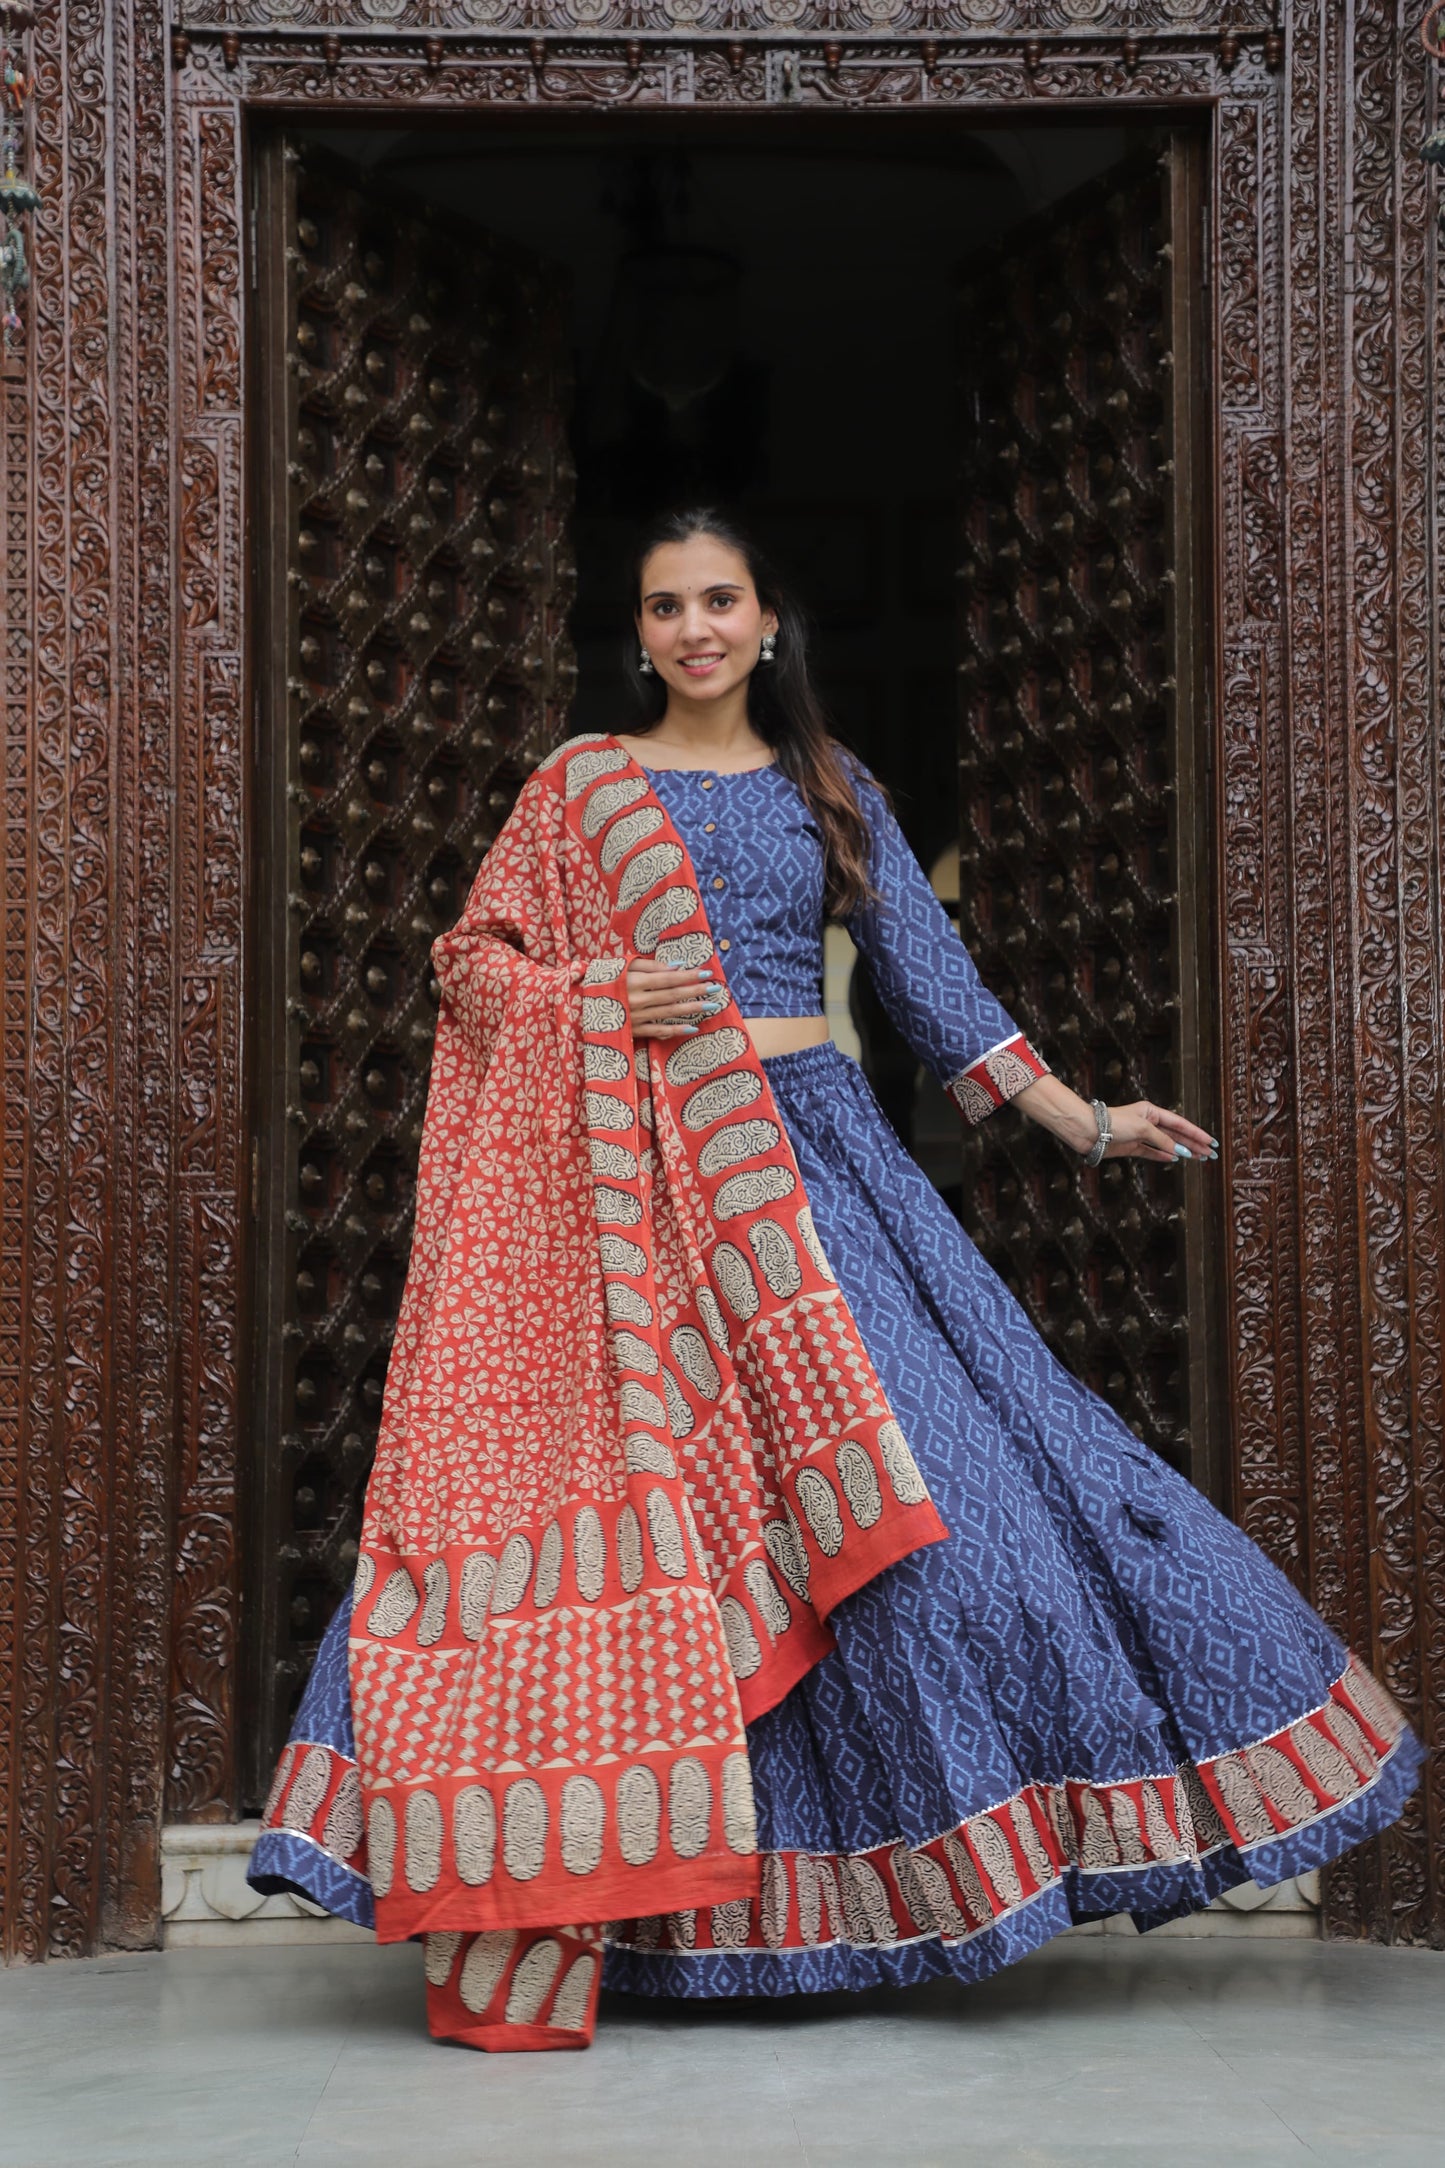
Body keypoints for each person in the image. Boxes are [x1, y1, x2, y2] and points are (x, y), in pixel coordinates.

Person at [250, 508, 1420, 2051]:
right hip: (637, 1202)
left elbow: (933, 989)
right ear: (639, 633)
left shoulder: (829, 787)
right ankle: (657, 1917)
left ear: (768, 621)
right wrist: (599, 993)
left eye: (718, 600)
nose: (694, 630)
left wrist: (1084, 1118)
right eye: (665, 606)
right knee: (650, 1521)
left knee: (954, 1513)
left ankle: (886, 1893)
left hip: (823, 1178)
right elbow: (473, 962)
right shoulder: (577, 787)